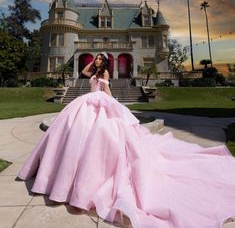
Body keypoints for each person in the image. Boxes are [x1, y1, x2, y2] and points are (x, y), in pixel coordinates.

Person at [18, 52, 235, 228]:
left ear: (106, 63)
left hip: (101, 102)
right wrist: (92, 65)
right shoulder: (92, 72)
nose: (98, 60)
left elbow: (109, 92)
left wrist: (115, 103)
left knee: (102, 135)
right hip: (86, 103)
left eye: (101, 59)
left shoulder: (105, 76)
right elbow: (84, 72)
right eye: (97, 58)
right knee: (74, 130)